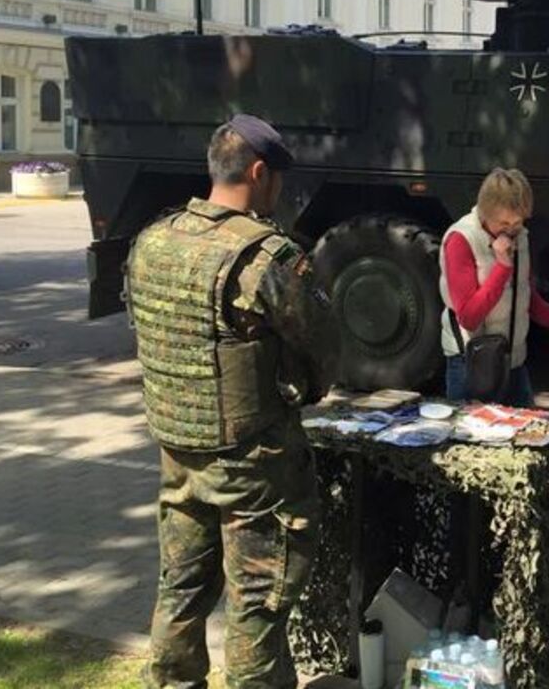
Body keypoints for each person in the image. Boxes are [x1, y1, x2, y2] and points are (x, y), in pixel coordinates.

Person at [126, 114, 341, 689]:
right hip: (253, 465)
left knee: (181, 588)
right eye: (277, 180)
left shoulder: (154, 240)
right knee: (258, 605)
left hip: (177, 453)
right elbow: (324, 346)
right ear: (259, 172)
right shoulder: (264, 259)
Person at [439, 167, 549, 406]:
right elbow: (469, 317)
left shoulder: (519, 236)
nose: (511, 230)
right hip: (471, 362)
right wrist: (502, 267)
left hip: (511, 361)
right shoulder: (461, 240)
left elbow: (525, 297)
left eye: (517, 222)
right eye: (503, 223)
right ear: (485, 212)